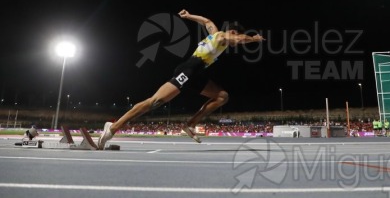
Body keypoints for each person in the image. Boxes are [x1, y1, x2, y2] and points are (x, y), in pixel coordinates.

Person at [97, 9, 265, 149]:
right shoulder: (222, 36)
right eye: (236, 36)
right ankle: (112, 128)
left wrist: (189, 16)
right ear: (233, 32)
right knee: (155, 102)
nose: (235, 42)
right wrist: (253, 39)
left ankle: (190, 124)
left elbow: (206, 21)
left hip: (196, 74)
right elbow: (238, 39)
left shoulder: (215, 34)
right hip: (188, 70)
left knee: (222, 96)